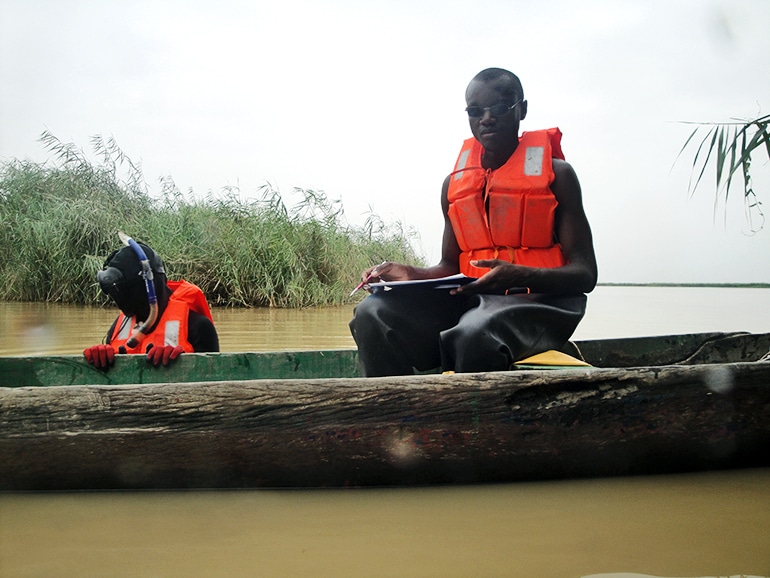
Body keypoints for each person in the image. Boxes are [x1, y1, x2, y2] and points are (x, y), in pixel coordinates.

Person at [349, 68, 597, 376]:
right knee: (371, 313)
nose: (487, 118)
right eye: (476, 111)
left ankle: (473, 422)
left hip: (544, 304)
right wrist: (408, 272)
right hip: (474, 302)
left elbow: (585, 275)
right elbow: (450, 267)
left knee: (474, 332)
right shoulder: (453, 186)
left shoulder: (559, 176)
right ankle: (399, 415)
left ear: (522, 109)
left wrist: (519, 275)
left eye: (500, 108)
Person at [83, 237, 219, 370]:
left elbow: (213, 380)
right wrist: (100, 358)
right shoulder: (119, 326)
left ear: (145, 287)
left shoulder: (198, 326)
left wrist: (181, 365)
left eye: (122, 291)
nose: (117, 299)